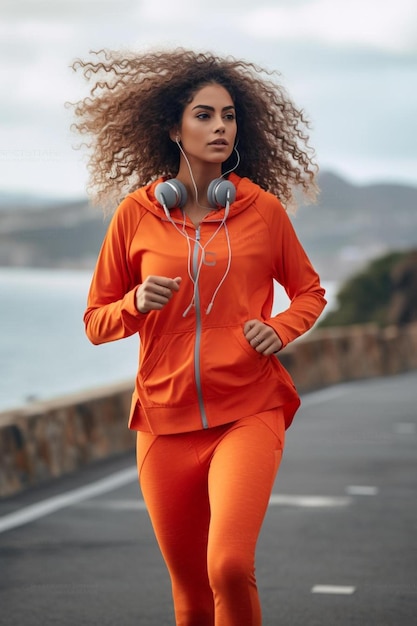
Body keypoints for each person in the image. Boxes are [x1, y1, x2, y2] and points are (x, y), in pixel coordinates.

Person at [71, 48, 326, 626]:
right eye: (205, 115)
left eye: (229, 115)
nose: (220, 127)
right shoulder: (136, 215)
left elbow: (310, 292)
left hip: (248, 410)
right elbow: (94, 323)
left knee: (229, 567)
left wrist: (279, 328)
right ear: (173, 128)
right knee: (189, 591)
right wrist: (134, 304)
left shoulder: (262, 211)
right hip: (163, 421)